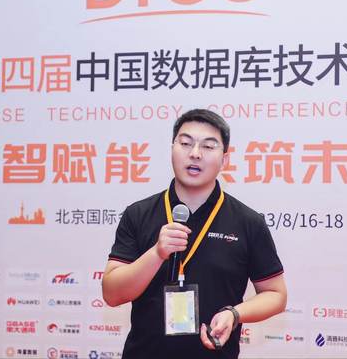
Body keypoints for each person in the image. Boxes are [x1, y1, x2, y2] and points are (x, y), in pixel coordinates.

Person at [102, 108, 287, 358]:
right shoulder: (138, 214)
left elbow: (276, 294)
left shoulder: (248, 222)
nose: (195, 153)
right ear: (172, 149)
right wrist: (156, 253)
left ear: (225, 159)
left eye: (208, 146)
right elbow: (112, 294)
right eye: (185, 143)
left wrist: (235, 314)